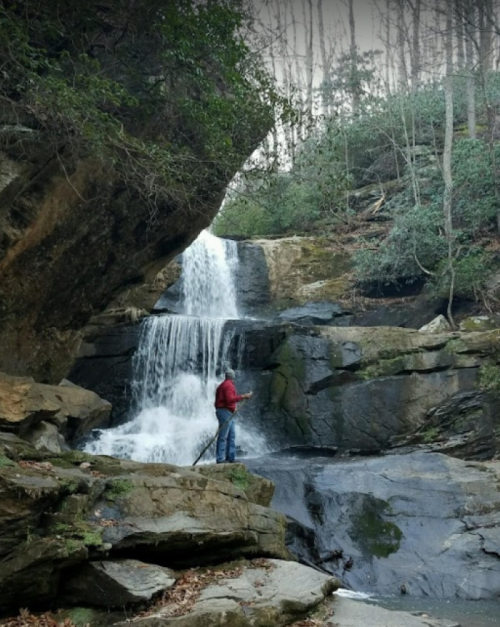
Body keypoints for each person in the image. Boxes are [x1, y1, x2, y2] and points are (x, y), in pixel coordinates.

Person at [214, 368, 252, 464]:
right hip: (225, 412)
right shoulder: (228, 385)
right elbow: (230, 399)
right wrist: (243, 396)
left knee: (231, 435)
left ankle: (230, 457)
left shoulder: (223, 385)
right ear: (233, 377)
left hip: (226, 412)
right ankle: (220, 459)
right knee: (224, 436)